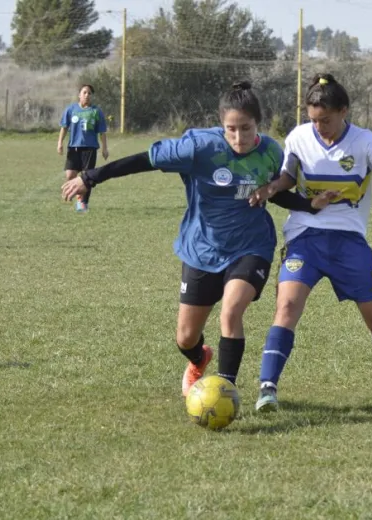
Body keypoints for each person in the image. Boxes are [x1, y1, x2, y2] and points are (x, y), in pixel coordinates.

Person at [61, 81, 335, 397]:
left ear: (258, 123)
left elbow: (273, 194)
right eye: (231, 129)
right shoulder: (198, 147)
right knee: (186, 337)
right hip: (202, 248)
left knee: (231, 312)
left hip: (251, 246)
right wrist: (90, 177)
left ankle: (225, 391)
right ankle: (199, 358)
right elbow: (145, 160)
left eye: (246, 128)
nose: (239, 137)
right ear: (221, 125)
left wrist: (307, 205)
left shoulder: (271, 152)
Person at [247, 73, 372, 415]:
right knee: (287, 307)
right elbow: (289, 175)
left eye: (326, 120)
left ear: (344, 111)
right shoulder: (299, 137)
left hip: (349, 241)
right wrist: (272, 188)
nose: (319, 126)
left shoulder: (366, 143)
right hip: (304, 236)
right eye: (313, 120)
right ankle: (267, 389)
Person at [58, 84, 109, 213]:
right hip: (74, 148)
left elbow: (102, 132)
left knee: (86, 177)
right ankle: (75, 193)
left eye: (89, 93)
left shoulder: (96, 111)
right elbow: (64, 127)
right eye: (84, 92)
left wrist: (104, 148)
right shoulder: (71, 110)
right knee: (70, 174)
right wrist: (60, 143)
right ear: (79, 95)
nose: (87, 95)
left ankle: (82, 203)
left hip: (90, 148)